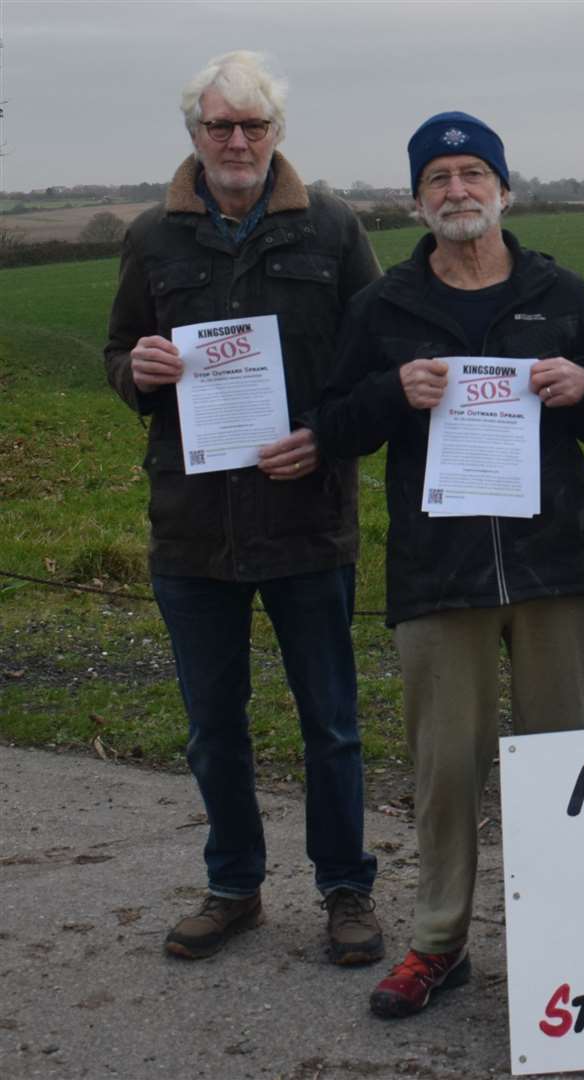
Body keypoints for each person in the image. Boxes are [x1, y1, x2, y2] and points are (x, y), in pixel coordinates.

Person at [312, 112, 584, 1020]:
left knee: (565, 763)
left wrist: (583, 386)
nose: (458, 190)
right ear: (418, 198)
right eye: (439, 177)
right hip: (437, 570)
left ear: (503, 189)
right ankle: (439, 942)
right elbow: (335, 426)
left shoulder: (559, 292)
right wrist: (389, 392)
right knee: (445, 767)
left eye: (473, 173)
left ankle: (571, 935)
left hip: (556, 565)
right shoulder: (383, 306)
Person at [102, 50, 382, 967]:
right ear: (194, 135)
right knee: (212, 723)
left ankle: (346, 889)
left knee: (330, 719)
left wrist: (329, 437)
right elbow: (118, 354)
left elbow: (374, 367)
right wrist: (137, 375)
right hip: (192, 524)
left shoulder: (333, 231)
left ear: (277, 136)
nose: (235, 141)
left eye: (252, 126)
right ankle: (235, 886)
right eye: (219, 125)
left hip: (307, 517)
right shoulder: (153, 239)